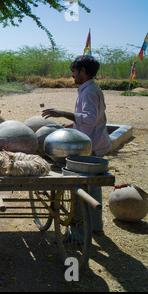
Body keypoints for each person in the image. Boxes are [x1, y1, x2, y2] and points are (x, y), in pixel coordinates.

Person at [42, 55, 111, 235]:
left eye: (74, 71)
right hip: (95, 143)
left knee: (79, 189)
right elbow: (91, 120)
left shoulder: (88, 91)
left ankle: (78, 235)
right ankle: (95, 227)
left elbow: (89, 119)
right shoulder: (91, 88)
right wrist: (72, 125)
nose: (72, 75)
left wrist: (63, 113)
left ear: (83, 71)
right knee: (93, 187)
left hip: (90, 147)